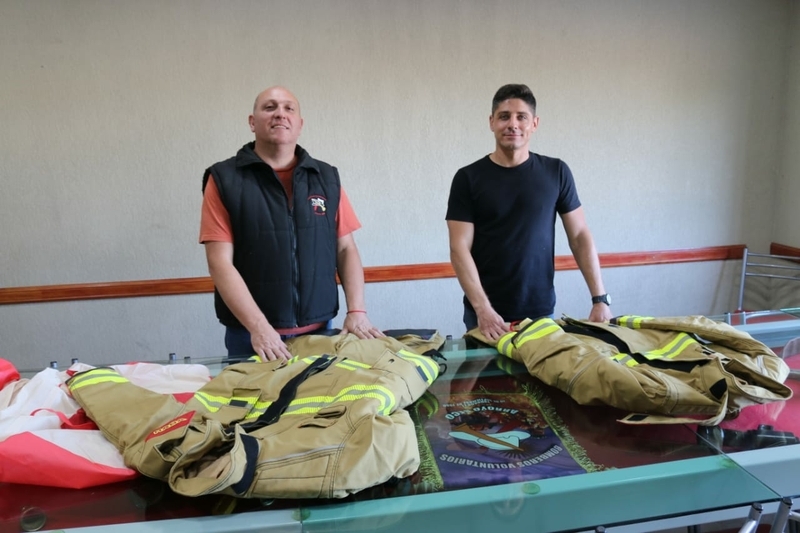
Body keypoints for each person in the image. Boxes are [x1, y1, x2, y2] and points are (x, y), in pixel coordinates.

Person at [199, 86, 383, 361]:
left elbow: (345, 249)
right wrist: (259, 328)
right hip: (252, 337)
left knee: (317, 404)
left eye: (289, 108)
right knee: (253, 404)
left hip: (319, 332)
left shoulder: (326, 177)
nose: (280, 114)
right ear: (252, 122)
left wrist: (356, 311)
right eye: (269, 107)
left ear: (299, 124)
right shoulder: (224, 179)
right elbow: (219, 263)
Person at [446, 83, 612, 341]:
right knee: (487, 382)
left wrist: (600, 298)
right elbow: (459, 248)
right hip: (485, 315)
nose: (512, 124)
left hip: (539, 313)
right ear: (491, 122)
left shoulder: (556, 172)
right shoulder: (468, 178)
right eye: (504, 116)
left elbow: (579, 236)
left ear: (534, 123)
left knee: (535, 382)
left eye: (521, 117)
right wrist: (483, 309)